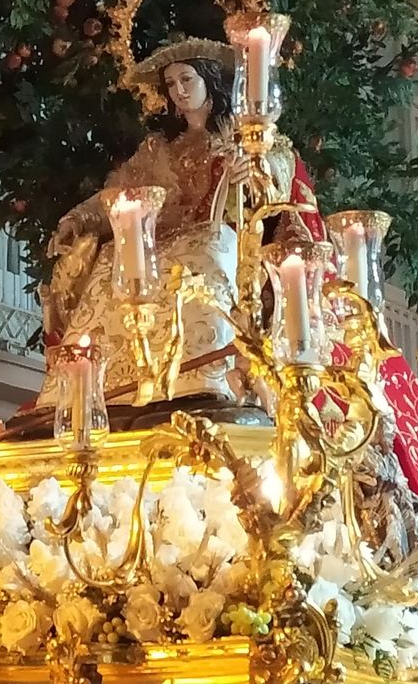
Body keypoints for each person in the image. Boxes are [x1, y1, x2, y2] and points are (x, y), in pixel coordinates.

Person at [38, 37, 297, 411]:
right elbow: (116, 193)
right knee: (113, 257)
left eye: (186, 80)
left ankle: (205, 372)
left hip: (212, 240)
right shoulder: (158, 151)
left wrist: (256, 170)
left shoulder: (242, 138)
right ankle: (89, 380)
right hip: (154, 246)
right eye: (171, 84)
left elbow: (279, 174)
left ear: (208, 80)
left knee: (209, 246)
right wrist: (78, 219)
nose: (178, 91)